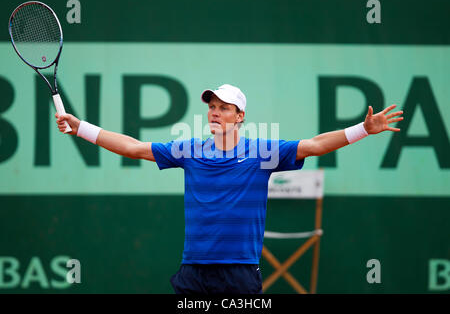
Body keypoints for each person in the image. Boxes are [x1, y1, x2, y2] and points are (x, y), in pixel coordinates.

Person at [55, 83, 404, 294]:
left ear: (240, 117)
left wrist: (363, 128)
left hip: (239, 273)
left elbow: (314, 145)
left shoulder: (263, 152)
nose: (215, 113)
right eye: (211, 107)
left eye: (225, 108)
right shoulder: (188, 150)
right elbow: (133, 148)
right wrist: (81, 127)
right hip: (193, 270)